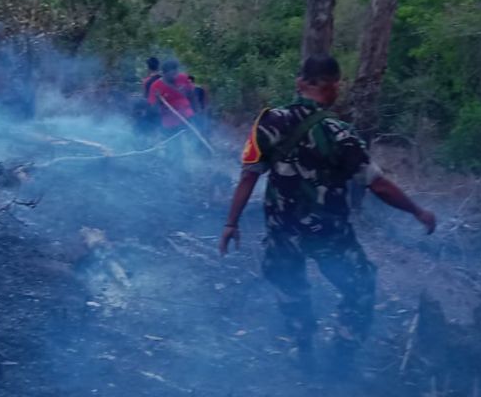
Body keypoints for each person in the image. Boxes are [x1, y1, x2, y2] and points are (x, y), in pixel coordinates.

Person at [218, 54, 436, 371]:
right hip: (329, 234)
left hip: (283, 232)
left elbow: (249, 175)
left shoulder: (268, 123)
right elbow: (379, 186)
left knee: (291, 288)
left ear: (299, 83)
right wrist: (417, 211)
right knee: (360, 285)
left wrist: (230, 223)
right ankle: (341, 356)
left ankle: (303, 348)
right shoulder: (341, 134)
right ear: (334, 87)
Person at [148, 59, 194, 130]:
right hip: (170, 122)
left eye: (176, 73)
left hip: (188, 115)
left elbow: (192, 94)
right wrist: (158, 99)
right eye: (172, 74)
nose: (175, 76)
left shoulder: (183, 77)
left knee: (193, 137)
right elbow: (153, 107)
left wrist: (197, 110)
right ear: (164, 73)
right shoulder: (155, 86)